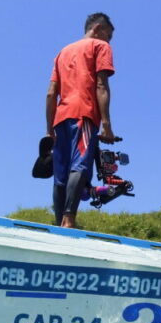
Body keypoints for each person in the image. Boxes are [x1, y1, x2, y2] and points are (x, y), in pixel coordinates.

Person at [46, 12, 117, 229]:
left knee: (61, 173)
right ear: (97, 28)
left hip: (60, 117)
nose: (108, 41)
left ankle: (59, 224)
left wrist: (50, 131)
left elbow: (51, 93)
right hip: (84, 114)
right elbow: (101, 85)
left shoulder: (62, 53)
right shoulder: (100, 47)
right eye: (108, 35)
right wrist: (106, 124)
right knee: (80, 165)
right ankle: (69, 220)